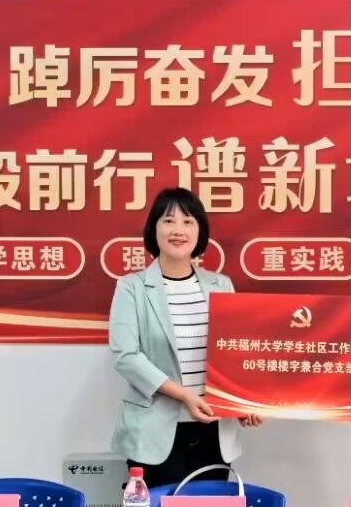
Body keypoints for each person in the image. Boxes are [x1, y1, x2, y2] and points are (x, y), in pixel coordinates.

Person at [109, 187, 263, 489]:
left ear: (200, 232)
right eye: (168, 221)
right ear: (153, 229)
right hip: (154, 435)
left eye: (188, 222)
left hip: (214, 430)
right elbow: (126, 356)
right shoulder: (131, 287)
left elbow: (234, 353)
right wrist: (184, 396)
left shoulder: (221, 285)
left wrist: (244, 402)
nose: (178, 230)